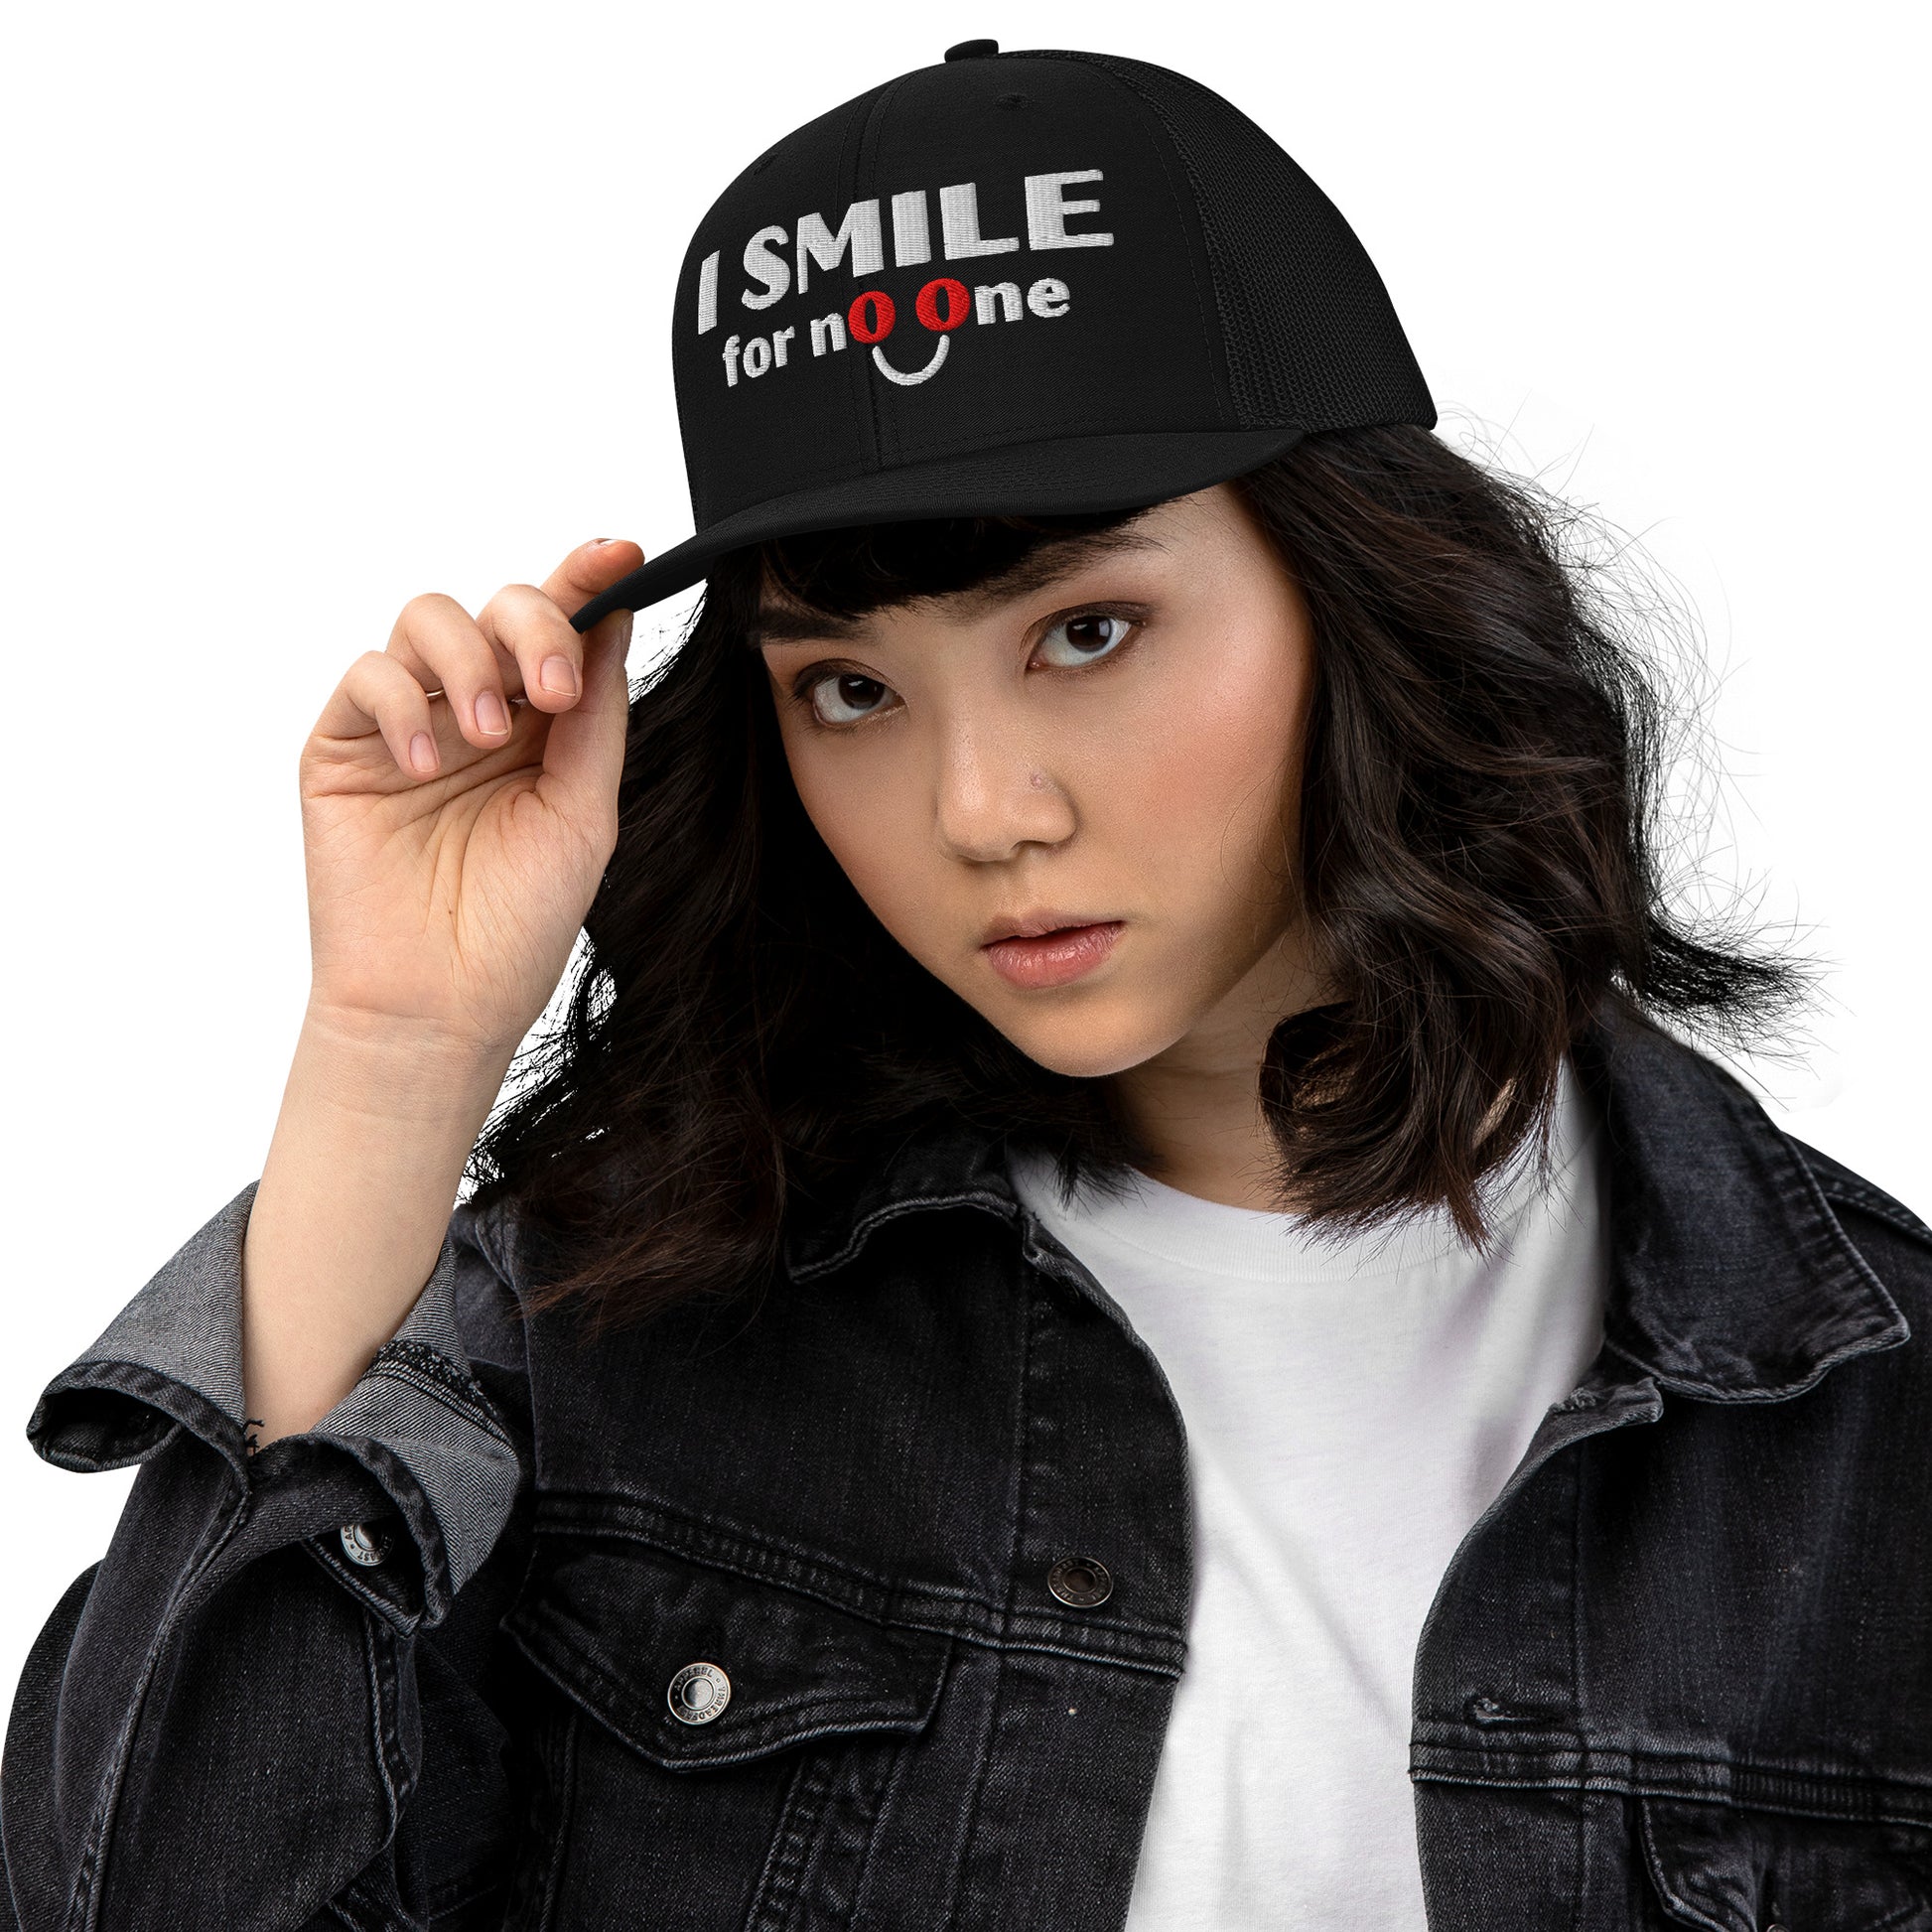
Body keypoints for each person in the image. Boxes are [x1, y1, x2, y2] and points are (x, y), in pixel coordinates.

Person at [6, 38, 1930, 1932]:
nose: (978, 810)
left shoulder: (1867, 1416)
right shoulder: (622, 1329)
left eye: (1085, 632)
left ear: (1364, 602)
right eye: (850, 687)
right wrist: (393, 1050)